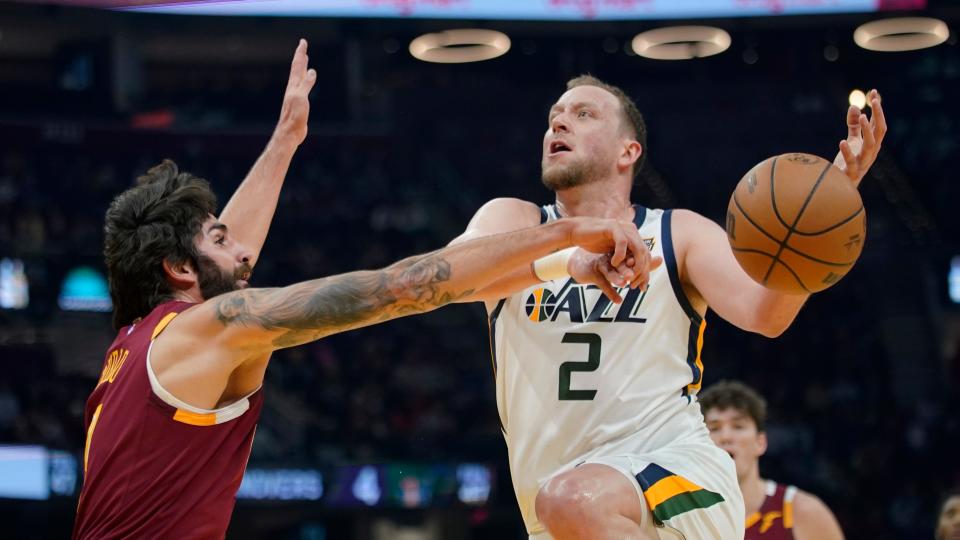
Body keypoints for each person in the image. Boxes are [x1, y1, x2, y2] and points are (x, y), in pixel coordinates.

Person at [71, 41, 648, 539]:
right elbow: (398, 287)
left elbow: (229, 257)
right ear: (178, 269)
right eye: (218, 238)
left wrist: (284, 141)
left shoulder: (141, 343)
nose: (243, 250)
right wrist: (565, 236)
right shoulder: (210, 327)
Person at [449, 76, 887, 539]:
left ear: (628, 152)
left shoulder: (678, 233)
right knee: (566, 501)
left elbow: (765, 315)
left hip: (677, 477)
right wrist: (569, 258)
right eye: (554, 115)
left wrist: (825, 202)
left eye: (584, 114)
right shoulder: (515, 221)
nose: (559, 121)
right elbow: (452, 279)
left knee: (570, 498)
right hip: (566, 513)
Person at [699, 380, 845, 540]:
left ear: (760, 443)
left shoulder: (803, 512)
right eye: (714, 428)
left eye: (738, 426)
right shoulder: (684, 518)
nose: (726, 437)